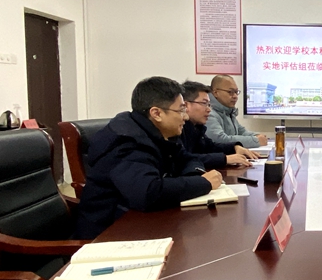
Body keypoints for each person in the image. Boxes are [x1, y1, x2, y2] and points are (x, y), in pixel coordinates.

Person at [76, 77, 223, 239]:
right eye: (181, 110)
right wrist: (203, 183)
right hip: (109, 235)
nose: (186, 117)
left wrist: (194, 177)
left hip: (140, 223)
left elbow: (187, 159)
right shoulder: (127, 141)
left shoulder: (156, 133)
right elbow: (147, 193)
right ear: (156, 113)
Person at [180, 80, 257, 169]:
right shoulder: (177, 129)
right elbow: (184, 159)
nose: (209, 109)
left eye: (209, 104)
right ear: (186, 105)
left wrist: (234, 147)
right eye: (204, 103)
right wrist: (224, 159)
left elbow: (210, 147)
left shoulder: (196, 127)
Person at [206, 74, 268, 148]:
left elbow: (241, 131)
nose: (235, 96)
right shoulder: (208, 113)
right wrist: (255, 140)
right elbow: (220, 140)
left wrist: (257, 135)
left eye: (236, 92)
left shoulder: (228, 111)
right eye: (230, 92)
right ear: (216, 93)